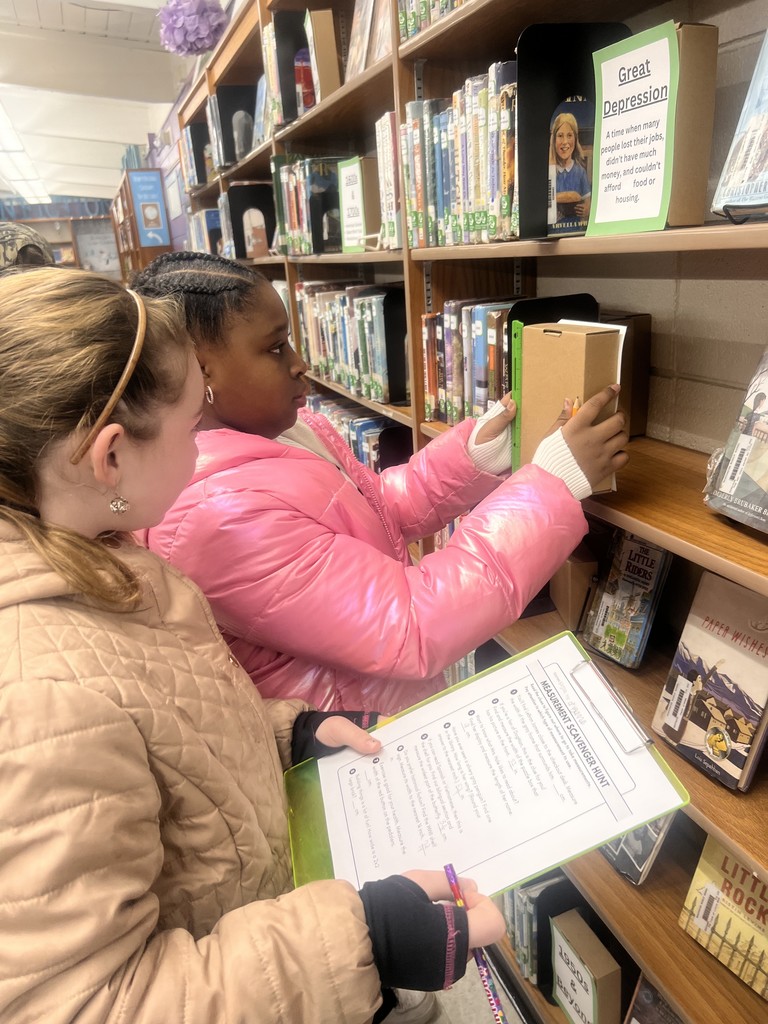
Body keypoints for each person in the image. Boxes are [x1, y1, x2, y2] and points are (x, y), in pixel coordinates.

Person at [0, 266, 506, 1024]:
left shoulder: (102, 562)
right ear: (110, 459)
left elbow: (158, 727)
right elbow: (83, 1005)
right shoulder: (38, 697)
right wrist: (359, 937)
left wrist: (284, 732)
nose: (208, 434)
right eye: (192, 416)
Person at [134, 252, 629, 715]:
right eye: (275, 347)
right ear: (201, 371)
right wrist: (550, 486)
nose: (299, 363)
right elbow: (413, 622)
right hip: (357, 745)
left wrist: (475, 455)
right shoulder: (219, 516)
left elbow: (372, 512)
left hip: (381, 713)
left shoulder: (284, 435)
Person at [548, 112, 591, 221]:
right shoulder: (550, 172)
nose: (565, 142)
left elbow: (588, 201)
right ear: (554, 140)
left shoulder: (580, 172)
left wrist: (587, 208)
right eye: (560, 136)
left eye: (569, 135)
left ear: (575, 139)